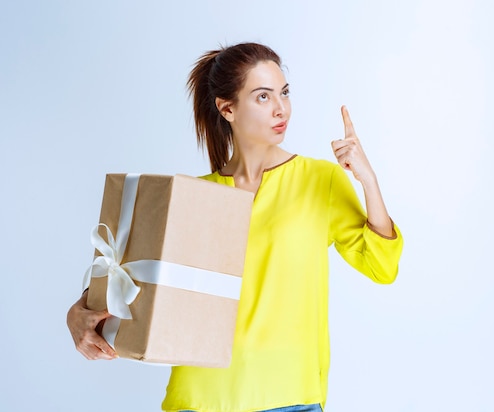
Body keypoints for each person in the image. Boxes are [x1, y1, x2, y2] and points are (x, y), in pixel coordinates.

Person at [67, 42, 403, 412]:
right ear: (227, 108)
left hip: (289, 397)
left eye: (284, 93)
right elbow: (133, 279)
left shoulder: (319, 180)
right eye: (263, 97)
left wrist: (369, 181)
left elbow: (382, 266)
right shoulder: (194, 194)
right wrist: (78, 313)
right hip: (197, 399)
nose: (281, 108)